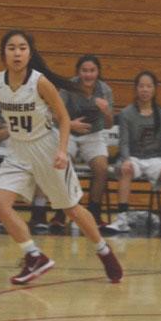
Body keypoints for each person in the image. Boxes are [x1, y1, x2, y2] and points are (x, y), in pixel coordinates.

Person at [0, 29, 123, 285]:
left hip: (46, 148)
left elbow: (64, 119)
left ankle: (104, 251)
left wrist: (63, 151)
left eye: (22, 48)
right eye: (11, 48)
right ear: (4, 54)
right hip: (18, 150)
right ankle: (34, 256)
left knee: (72, 209)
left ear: (30, 53)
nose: (17, 53)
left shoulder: (40, 82)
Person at [104, 70, 161, 236]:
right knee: (126, 169)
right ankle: (121, 219)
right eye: (141, 86)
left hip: (156, 159)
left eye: (148, 86)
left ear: (154, 89)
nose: (145, 90)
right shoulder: (127, 113)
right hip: (134, 157)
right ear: (136, 89)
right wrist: (125, 159)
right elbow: (124, 142)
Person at [61, 54, 114, 226]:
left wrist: (106, 112)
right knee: (62, 164)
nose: (88, 75)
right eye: (84, 70)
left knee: (102, 168)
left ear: (98, 72)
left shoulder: (105, 90)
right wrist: (70, 124)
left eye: (92, 71)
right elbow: (54, 115)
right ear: (78, 72)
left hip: (93, 135)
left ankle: (94, 212)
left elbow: (108, 125)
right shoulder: (68, 87)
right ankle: (61, 212)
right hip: (69, 132)